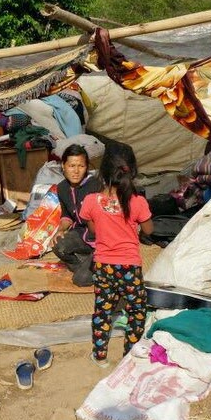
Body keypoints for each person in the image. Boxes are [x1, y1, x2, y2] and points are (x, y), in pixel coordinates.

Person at [79, 150, 154, 367]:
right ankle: (129, 358)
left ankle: (100, 356)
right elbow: (149, 230)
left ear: (102, 175)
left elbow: (92, 229)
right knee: (137, 311)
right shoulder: (137, 201)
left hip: (103, 265)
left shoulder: (91, 200)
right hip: (129, 266)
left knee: (102, 310)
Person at [52, 144, 102, 286]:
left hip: (102, 240)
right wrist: (60, 230)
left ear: (87, 167)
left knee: (80, 280)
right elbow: (66, 215)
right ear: (63, 166)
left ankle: (94, 266)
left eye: (81, 166)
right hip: (81, 234)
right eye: (71, 166)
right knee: (58, 245)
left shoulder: (96, 186)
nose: (76, 171)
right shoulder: (62, 188)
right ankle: (89, 265)